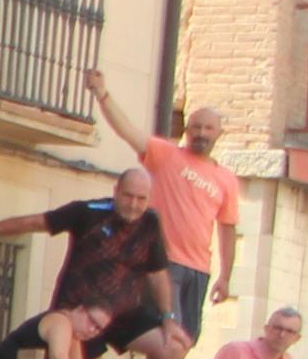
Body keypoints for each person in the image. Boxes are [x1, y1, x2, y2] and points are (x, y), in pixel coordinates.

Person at [0, 160, 182, 359]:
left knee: (174, 348)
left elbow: (158, 274)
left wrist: (168, 317)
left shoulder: (151, 222)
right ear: (116, 191)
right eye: (128, 196)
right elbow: (35, 222)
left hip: (121, 314)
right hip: (84, 313)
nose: (133, 205)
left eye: (141, 199)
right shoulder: (87, 212)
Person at [86, 68, 237, 343]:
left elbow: (227, 229)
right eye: (196, 127)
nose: (201, 133)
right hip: (164, 262)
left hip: (199, 270)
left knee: (188, 339)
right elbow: (127, 131)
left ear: (219, 133)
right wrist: (102, 94)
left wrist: (225, 277)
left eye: (208, 128)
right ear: (187, 130)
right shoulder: (165, 155)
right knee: (170, 337)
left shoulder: (227, 179)